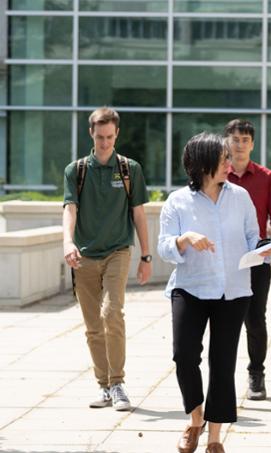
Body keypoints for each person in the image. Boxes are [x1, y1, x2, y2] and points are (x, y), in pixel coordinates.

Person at [158, 133, 271, 453]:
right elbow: (163, 247)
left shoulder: (240, 197)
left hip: (233, 291)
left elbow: (254, 236)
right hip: (190, 288)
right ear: (204, 163)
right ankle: (195, 421)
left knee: (222, 363)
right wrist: (185, 239)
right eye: (223, 159)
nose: (230, 163)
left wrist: (262, 249)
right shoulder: (178, 201)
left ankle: (214, 437)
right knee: (184, 356)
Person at [62, 107, 151, 412]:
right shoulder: (76, 170)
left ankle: (118, 383)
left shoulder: (129, 169)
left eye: (109, 137)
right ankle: (104, 386)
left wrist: (146, 255)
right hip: (85, 255)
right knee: (92, 326)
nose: (104, 143)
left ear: (117, 135)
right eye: (99, 137)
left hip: (118, 251)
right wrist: (67, 242)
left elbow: (139, 213)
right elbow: (69, 208)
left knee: (112, 313)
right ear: (91, 133)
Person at [225, 119, 271, 401]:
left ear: (252, 144)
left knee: (255, 319)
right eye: (235, 139)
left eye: (245, 140)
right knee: (224, 319)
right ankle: (222, 374)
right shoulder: (216, 174)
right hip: (223, 259)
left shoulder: (267, 178)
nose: (240, 145)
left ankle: (256, 373)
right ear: (226, 141)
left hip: (257, 258)